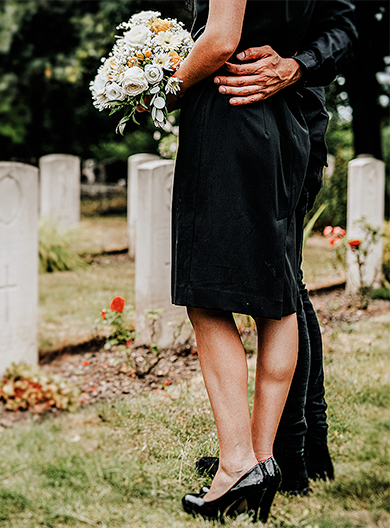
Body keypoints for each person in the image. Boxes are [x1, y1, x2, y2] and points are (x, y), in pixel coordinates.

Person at [193, 0, 356, 496]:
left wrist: (295, 65)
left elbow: (344, 25)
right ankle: (278, 458)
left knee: (277, 289)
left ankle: (284, 456)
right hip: (277, 119)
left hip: (280, 117)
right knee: (286, 287)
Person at [165, 0, 320, 521]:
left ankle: (235, 464)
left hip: (233, 118)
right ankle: (262, 458)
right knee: (279, 302)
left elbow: (220, 39)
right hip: (285, 114)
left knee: (205, 299)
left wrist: (160, 91)